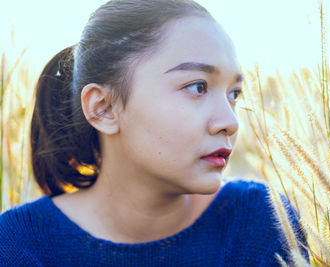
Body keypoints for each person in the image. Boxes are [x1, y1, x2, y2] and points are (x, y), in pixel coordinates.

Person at [0, 0, 308, 265]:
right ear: (103, 108)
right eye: (198, 87)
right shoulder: (18, 245)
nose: (230, 121)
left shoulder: (260, 222)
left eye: (234, 93)